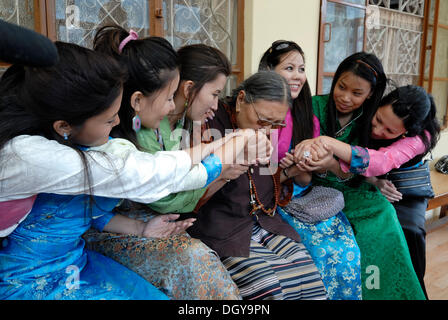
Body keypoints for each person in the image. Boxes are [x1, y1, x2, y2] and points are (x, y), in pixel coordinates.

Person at [85, 26, 270, 300]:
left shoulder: (167, 124)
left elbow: (178, 168)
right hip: (110, 233)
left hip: (134, 224)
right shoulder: (122, 142)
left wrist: (227, 149)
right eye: (169, 97)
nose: (172, 107)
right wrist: (230, 153)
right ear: (137, 100)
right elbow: (170, 189)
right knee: (196, 261)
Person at [0, 41, 196, 299]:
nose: (116, 122)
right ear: (64, 126)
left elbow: (77, 212)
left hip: (72, 265)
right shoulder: (32, 157)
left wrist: (139, 228)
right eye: (108, 118)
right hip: (26, 280)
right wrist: (220, 153)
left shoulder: (72, 144)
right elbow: (141, 176)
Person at [293, 52, 426, 300]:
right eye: (341, 87)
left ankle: (390, 293)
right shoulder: (314, 107)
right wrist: (326, 164)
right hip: (314, 187)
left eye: (357, 93)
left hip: (354, 186)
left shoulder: (369, 117)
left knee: (385, 217)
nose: (345, 98)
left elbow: (370, 162)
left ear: (370, 95)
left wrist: (372, 179)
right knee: (354, 238)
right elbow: (306, 162)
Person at [187, 71, 328, 300]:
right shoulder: (209, 122)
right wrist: (224, 172)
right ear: (241, 99)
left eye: (276, 124)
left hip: (262, 220)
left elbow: (262, 182)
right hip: (221, 227)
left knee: (308, 277)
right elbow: (191, 190)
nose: (266, 129)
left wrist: (291, 170)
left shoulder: (265, 130)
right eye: (262, 120)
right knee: (268, 286)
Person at [258, 40, 362, 300]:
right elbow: (257, 180)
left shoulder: (308, 119)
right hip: (269, 203)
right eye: (289, 68)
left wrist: (302, 166)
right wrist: (288, 172)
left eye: (301, 69)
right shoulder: (258, 115)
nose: (297, 76)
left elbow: (305, 179)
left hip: (302, 198)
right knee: (319, 253)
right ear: (269, 71)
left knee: (346, 250)